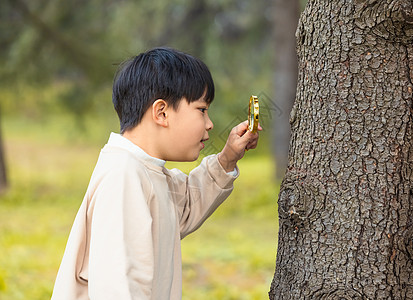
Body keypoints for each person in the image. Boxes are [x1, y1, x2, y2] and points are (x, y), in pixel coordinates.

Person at [51, 47, 261, 299]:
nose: (209, 123)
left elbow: (184, 206)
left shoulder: (144, 170)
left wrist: (227, 158)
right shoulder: (124, 177)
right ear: (161, 113)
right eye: (202, 110)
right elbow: (119, 287)